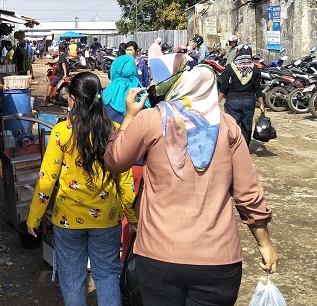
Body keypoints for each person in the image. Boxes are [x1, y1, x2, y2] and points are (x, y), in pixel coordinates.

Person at [104, 64, 278, 305]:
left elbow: (114, 160)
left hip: (158, 255)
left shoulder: (152, 119)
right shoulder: (227, 126)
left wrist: (130, 116)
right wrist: (265, 244)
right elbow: (247, 192)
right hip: (218, 258)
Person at [27, 71, 137, 306]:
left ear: (74, 100)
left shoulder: (61, 132)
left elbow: (47, 180)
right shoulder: (114, 130)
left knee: (72, 278)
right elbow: (124, 181)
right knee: (107, 275)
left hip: (67, 221)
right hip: (106, 220)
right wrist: (133, 216)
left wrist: (34, 217)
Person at [218, 44, 266, 145]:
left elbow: (224, 86)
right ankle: (244, 148)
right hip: (249, 101)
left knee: (233, 125)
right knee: (247, 126)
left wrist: (218, 100)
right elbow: (257, 88)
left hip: (233, 102)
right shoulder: (255, 69)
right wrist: (261, 103)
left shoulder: (230, 67)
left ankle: (235, 148)